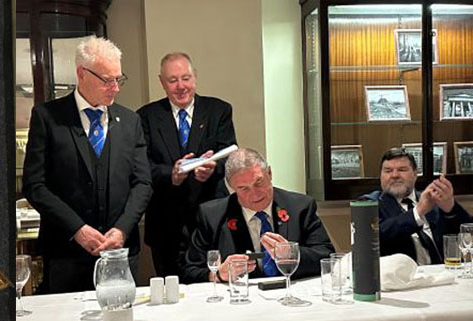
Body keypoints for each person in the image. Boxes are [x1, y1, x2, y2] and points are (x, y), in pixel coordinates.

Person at [23, 36, 152, 293]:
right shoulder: (48, 117)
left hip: (121, 250)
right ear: (82, 74)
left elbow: (143, 183)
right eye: (107, 80)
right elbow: (35, 185)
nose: (115, 87)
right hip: (66, 252)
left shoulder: (130, 121)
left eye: (118, 79)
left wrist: (122, 230)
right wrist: (78, 229)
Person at [137, 52, 237, 277]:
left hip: (210, 218)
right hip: (165, 222)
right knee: (170, 294)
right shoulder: (146, 117)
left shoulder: (218, 110)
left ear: (195, 78)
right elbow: (141, 167)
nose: (181, 86)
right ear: (162, 82)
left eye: (186, 78)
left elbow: (230, 157)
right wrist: (170, 174)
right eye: (173, 80)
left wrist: (212, 169)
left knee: (214, 288)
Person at [183, 148, 334, 283]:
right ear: (232, 188)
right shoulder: (212, 215)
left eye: (259, 182)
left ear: (269, 173)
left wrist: (292, 254)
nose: (255, 194)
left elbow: (328, 257)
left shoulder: (300, 206)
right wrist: (218, 275)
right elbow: (190, 271)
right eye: (244, 189)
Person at [360, 148, 472, 265]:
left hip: (443, 274)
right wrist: (418, 212)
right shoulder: (369, 204)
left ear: (415, 174)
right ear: (381, 175)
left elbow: (467, 231)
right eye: (388, 171)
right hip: (400, 279)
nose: (394, 175)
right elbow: (375, 238)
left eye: (402, 170)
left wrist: (450, 208)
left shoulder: (432, 199)